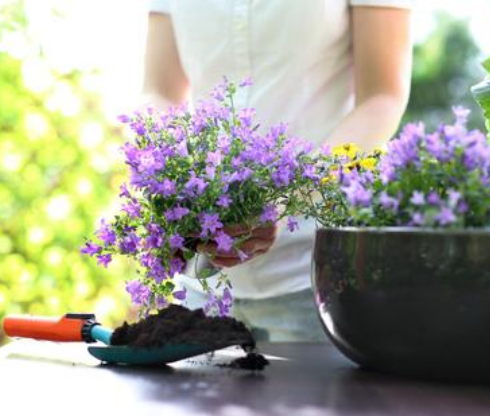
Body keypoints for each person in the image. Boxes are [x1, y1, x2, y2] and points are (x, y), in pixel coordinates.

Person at [144, 0, 412, 341]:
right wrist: (171, 179)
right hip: (201, 281)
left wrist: (286, 200)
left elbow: (382, 97)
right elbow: (160, 91)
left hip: (315, 279)